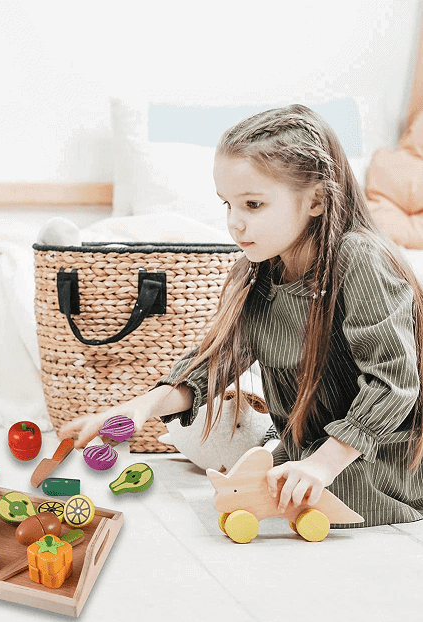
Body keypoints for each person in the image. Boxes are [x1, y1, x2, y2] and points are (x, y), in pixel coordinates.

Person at [62, 104, 423, 527]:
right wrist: (138, 408)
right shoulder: (259, 271)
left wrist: (323, 466)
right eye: (227, 204)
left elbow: (393, 383)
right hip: (309, 450)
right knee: (257, 478)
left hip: (380, 456)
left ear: (318, 201)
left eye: (253, 204)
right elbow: (216, 363)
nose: (235, 223)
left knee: (291, 494)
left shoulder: (359, 259)